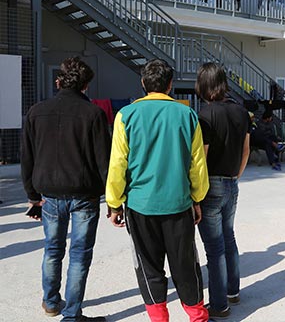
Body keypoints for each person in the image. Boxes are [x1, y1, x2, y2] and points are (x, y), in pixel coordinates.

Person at [105, 59, 209, 322]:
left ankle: (159, 319)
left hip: (140, 206)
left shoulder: (125, 116)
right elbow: (197, 165)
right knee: (185, 265)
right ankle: (197, 317)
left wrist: (114, 203)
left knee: (149, 268)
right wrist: (196, 198)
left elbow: (117, 163)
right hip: (178, 204)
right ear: (171, 85)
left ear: (143, 84)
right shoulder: (187, 115)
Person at [21, 57, 110, 322]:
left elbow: (27, 157)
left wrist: (32, 196)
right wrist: (115, 198)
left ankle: (50, 302)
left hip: (48, 192)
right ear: (86, 85)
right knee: (80, 255)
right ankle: (72, 314)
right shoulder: (93, 114)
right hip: (84, 194)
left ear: (59, 81)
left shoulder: (36, 112)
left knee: (52, 249)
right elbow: (103, 160)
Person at [195, 63, 251, 319]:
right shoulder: (241, 112)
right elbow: (247, 149)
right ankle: (233, 291)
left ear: (204, 85)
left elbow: (201, 159)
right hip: (232, 181)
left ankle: (219, 305)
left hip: (211, 184)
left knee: (214, 247)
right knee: (229, 237)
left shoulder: (205, 114)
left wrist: (196, 190)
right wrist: (236, 175)